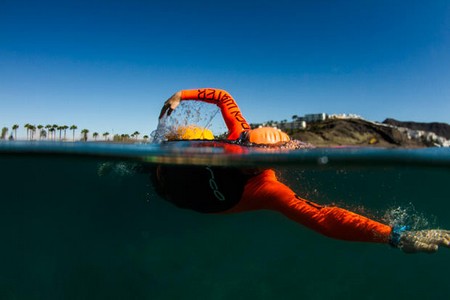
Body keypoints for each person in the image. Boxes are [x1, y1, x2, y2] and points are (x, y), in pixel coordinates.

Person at [156, 88, 450, 254]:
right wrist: (181, 94)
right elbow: (223, 96)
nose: (242, 160)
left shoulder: (267, 189)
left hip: (178, 196)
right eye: (243, 148)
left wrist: (394, 235)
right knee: (191, 133)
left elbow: (325, 218)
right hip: (166, 172)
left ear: (267, 165)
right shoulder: (238, 131)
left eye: (253, 162)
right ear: (243, 137)